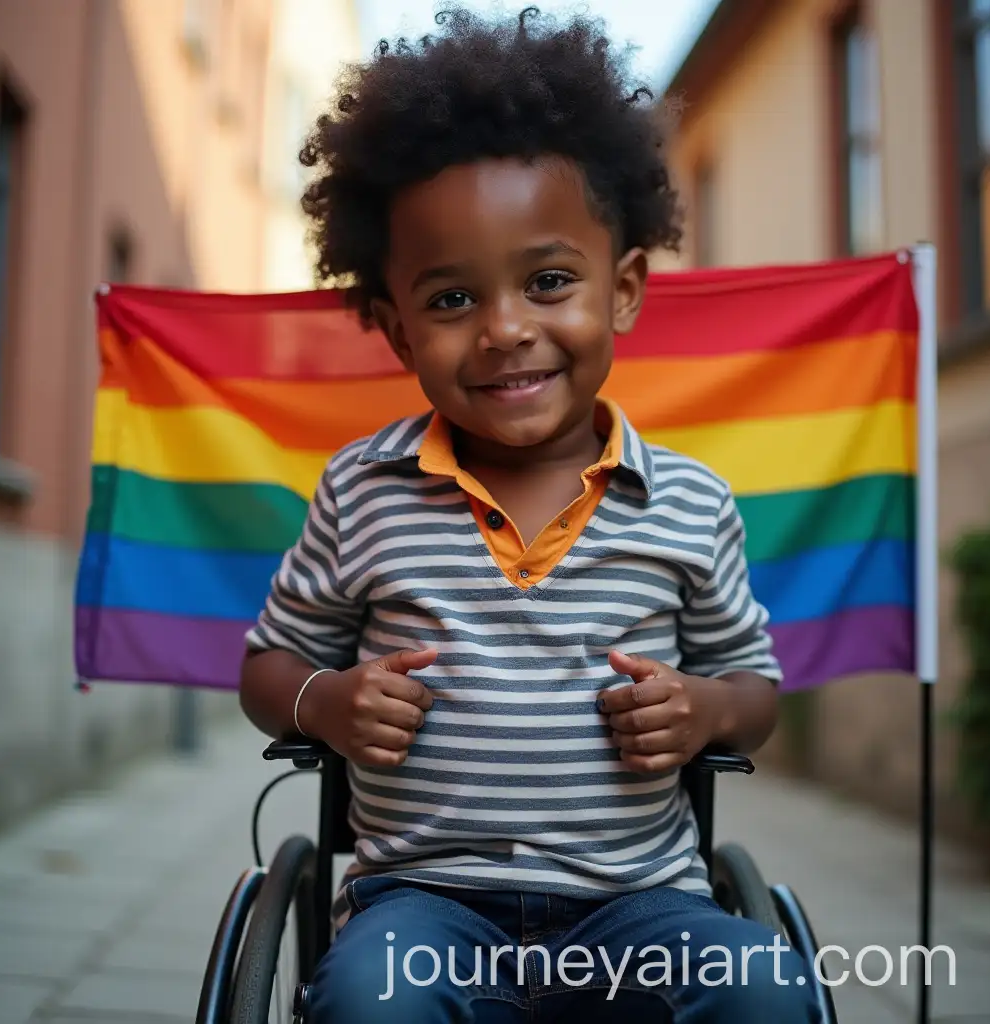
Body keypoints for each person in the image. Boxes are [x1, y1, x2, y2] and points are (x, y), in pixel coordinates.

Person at [239, 5, 821, 1022]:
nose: (508, 331)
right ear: (391, 325)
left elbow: (755, 688)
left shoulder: (687, 501)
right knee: (371, 1001)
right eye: (452, 300)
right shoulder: (361, 489)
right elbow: (265, 668)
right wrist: (323, 703)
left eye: (549, 282)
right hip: (421, 907)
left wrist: (706, 710)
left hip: (639, 906)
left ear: (625, 288)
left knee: (769, 986)